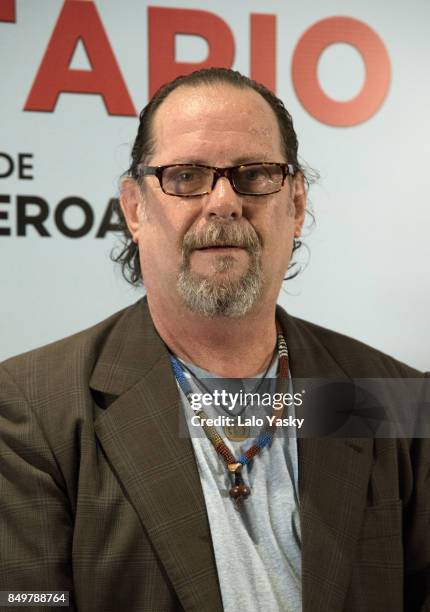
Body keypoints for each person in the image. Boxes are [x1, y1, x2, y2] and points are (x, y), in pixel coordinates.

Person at [0, 68, 428, 612]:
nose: (223, 202)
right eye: (185, 176)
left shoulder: (385, 398)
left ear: (296, 204)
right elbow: (23, 598)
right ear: (134, 209)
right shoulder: (32, 408)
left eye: (254, 175)